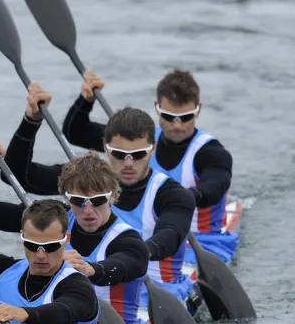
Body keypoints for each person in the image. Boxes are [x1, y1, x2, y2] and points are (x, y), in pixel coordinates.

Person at [0, 83, 196, 305]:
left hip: (151, 294)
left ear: (152, 149)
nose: (128, 163)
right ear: (106, 147)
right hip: (81, 295)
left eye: (138, 154)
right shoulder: (81, 182)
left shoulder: (174, 195)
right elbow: (15, 176)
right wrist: (31, 121)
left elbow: (167, 240)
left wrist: (134, 254)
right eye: (120, 154)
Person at [0, 138, 154, 324]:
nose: (88, 210)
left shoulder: (129, 240)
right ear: (66, 197)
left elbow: (126, 264)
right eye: (78, 200)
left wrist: (91, 269)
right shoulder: (54, 221)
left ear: (112, 197)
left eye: (97, 200)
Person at [61, 68, 239, 264]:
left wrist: (188, 196)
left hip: (198, 241)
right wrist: (85, 101)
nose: (177, 125)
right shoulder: (138, 141)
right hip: (132, 243)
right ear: (157, 108)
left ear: (198, 110)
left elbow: (217, 185)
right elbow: (74, 133)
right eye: (169, 116)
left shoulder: (211, 152)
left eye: (186, 117)